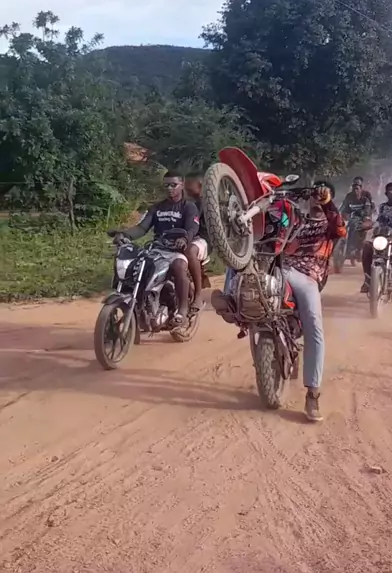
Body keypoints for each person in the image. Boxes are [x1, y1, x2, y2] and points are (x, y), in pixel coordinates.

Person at [212, 180, 346, 422]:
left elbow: (340, 228)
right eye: (315, 193)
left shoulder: (329, 225)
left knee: (315, 328)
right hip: (278, 268)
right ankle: (231, 301)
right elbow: (268, 231)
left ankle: (313, 394)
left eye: (323, 194)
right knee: (243, 257)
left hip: (307, 276)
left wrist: (327, 203)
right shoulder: (296, 219)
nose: (317, 197)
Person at [110, 172, 199, 325]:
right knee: (135, 267)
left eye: (173, 185)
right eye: (166, 185)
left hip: (176, 250)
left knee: (178, 267)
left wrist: (184, 239)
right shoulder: (156, 208)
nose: (169, 188)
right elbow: (141, 228)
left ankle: (182, 310)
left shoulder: (189, 207)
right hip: (157, 249)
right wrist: (124, 235)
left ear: (182, 185)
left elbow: (192, 228)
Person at [185, 173, 210, 311]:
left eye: (190, 184)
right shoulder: (192, 203)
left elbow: (192, 221)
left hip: (202, 239)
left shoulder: (203, 202)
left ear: (200, 187)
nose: (187, 186)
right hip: (189, 237)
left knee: (190, 251)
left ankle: (198, 295)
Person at [340, 179, 374, 261]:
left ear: (361, 189)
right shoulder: (349, 197)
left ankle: (358, 249)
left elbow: (367, 210)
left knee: (361, 230)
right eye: (354, 188)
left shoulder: (365, 199)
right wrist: (341, 213)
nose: (355, 191)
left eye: (357, 189)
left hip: (362, 219)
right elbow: (343, 207)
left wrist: (362, 214)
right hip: (351, 219)